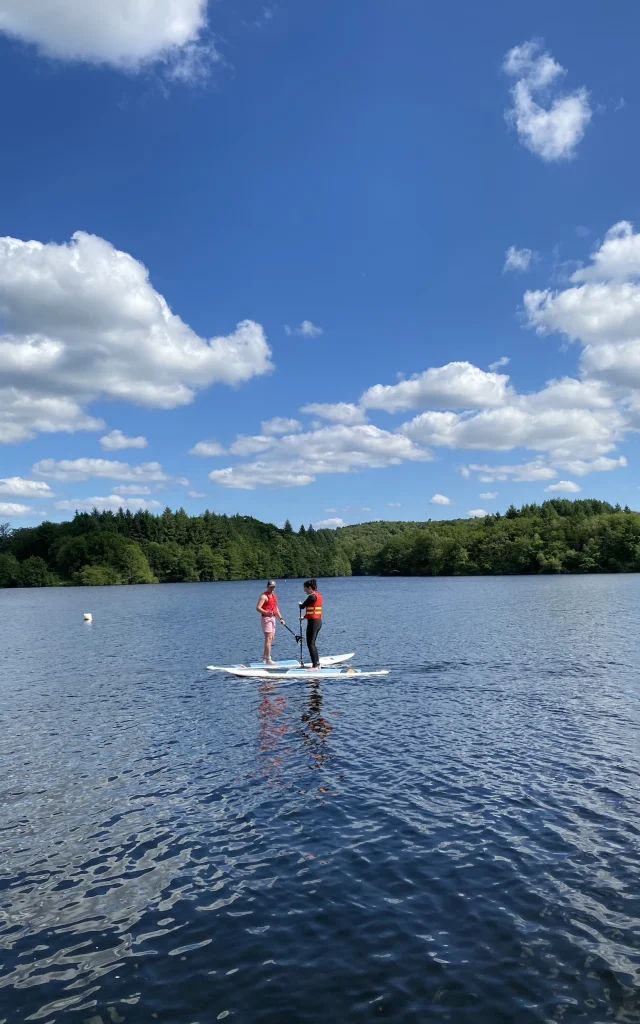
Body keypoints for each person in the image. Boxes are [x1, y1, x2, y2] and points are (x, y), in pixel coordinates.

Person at [256, 580, 285, 664]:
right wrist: (266, 612)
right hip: (266, 619)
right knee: (268, 639)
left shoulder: (274, 596)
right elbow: (258, 608)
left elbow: (276, 608)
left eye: (274, 587)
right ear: (267, 587)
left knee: (271, 638)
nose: (272, 588)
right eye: (271, 587)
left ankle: (265, 658)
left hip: (273, 618)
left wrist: (281, 618)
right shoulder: (264, 596)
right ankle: (268, 659)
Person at [299, 579, 323, 670]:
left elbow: (302, 606)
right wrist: (304, 617)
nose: (304, 590)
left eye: (305, 588)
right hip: (318, 622)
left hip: (313, 623)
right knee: (312, 643)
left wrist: (300, 604)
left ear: (309, 588)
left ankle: (315, 666)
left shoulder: (311, 597)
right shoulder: (318, 595)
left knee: (310, 644)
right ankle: (317, 664)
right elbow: (313, 609)